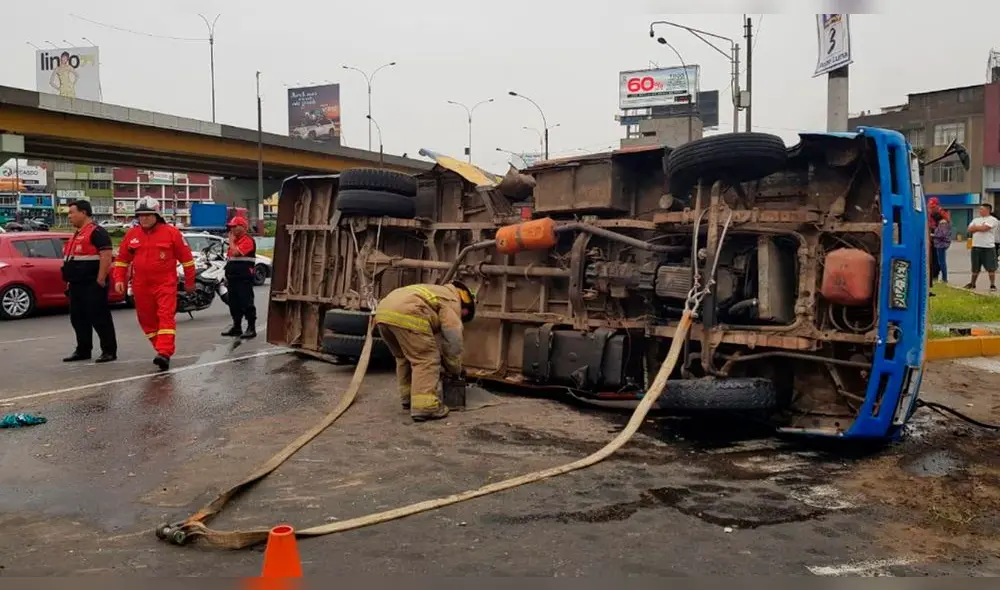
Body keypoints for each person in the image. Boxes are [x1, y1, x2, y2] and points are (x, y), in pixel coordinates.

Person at [112, 197, 196, 371]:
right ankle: (160, 349)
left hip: (165, 284)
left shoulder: (172, 233)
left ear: (157, 215)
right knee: (146, 320)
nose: (144, 218)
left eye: (148, 215)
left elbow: (187, 261)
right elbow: (122, 260)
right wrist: (119, 279)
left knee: (165, 317)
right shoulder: (132, 235)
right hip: (140, 286)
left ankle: (164, 353)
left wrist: (189, 283)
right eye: (141, 215)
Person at [373, 281, 476, 422]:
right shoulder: (452, 301)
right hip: (408, 314)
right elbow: (453, 340)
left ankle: (408, 398)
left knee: (403, 357)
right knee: (426, 359)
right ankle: (426, 407)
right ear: (465, 302)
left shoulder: (436, 291)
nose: (462, 318)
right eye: (464, 315)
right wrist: (455, 368)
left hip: (383, 313)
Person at [61, 199, 117, 363]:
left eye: (72, 212)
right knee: (78, 318)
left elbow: (106, 256)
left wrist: (100, 279)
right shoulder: (77, 234)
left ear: (83, 213)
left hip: (92, 283)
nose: (69, 216)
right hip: (76, 284)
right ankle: (83, 350)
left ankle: (109, 350)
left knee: (99, 318)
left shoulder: (97, 232)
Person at [221, 216, 258, 339]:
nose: (232, 230)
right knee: (234, 303)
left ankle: (251, 328)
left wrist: (230, 241)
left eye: (234, 227)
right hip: (233, 277)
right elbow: (230, 259)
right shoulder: (235, 242)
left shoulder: (247, 240)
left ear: (242, 227)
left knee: (246, 302)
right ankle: (237, 327)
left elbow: (237, 253)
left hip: (244, 277)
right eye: (231, 227)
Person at [965, 203, 999, 292]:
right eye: (980, 209)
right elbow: (969, 229)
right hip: (976, 246)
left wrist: (976, 228)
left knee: (991, 267)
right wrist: (979, 227)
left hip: (988, 247)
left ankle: (992, 284)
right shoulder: (976, 219)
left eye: (982, 209)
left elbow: (985, 228)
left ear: (988, 210)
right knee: (975, 267)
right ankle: (972, 283)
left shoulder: (993, 220)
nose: (980, 211)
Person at [931, 211, 951, 285]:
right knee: (941, 262)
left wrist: (933, 235)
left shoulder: (942, 224)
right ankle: (944, 278)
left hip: (941, 245)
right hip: (939, 245)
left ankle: (944, 278)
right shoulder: (943, 223)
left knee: (942, 262)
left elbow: (942, 234)